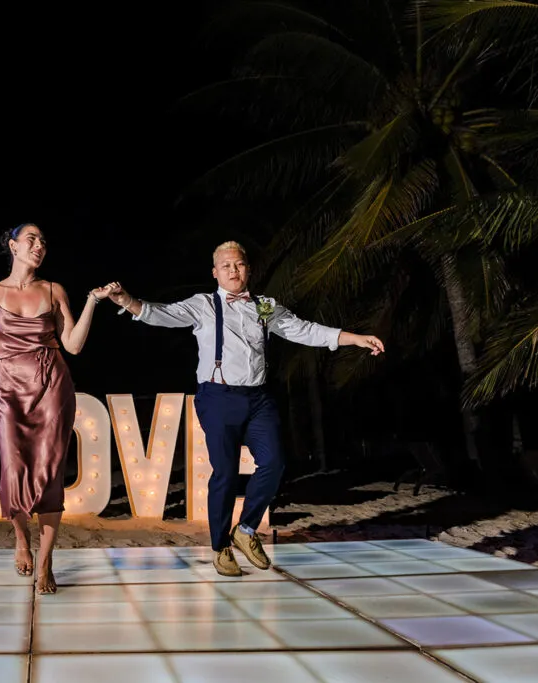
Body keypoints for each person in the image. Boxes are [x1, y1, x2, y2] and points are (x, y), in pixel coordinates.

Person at [107, 240, 384, 576]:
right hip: (218, 397)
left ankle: (246, 530)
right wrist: (126, 300)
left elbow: (303, 330)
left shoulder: (265, 307)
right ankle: (220, 546)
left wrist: (353, 337)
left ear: (248, 269)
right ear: (215, 272)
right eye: (226, 266)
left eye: (238, 265)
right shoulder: (205, 304)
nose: (233, 271)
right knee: (224, 473)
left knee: (275, 463)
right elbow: (161, 314)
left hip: (258, 399)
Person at [0, 223, 113, 594]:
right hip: (10, 391)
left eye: (44, 242)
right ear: (13, 245)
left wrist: (92, 303)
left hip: (52, 388)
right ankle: (21, 538)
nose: (40, 245)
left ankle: (46, 561)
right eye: (32, 239)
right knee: (13, 471)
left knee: (49, 474)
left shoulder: (54, 290)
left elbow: (74, 345)